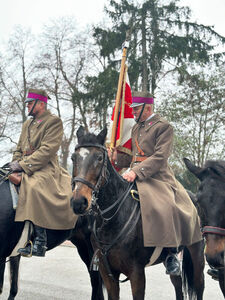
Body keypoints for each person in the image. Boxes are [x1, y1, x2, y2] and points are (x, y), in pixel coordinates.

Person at [109, 91, 202, 276]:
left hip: (158, 176)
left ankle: (171, 253)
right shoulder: (136, 128)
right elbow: (133, 157)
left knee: (167, 205)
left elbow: (160, 157)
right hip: (133, 174)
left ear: (148, 108)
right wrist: (116, 159)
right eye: (133, 109)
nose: (133, 112)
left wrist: (136, 171)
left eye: (136, 109)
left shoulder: (163, 127)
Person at [10, 88, 77, 257]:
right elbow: (19, 148)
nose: (27, 107)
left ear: (41, 104)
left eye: (30, 103)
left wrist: (23, 165)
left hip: (45, 168)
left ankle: (40, 241)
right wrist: (15, 163)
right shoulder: (27, 124)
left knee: (32, 186)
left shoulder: (54, 122)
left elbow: (47, 151)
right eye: (27, 104)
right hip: (25, 165)